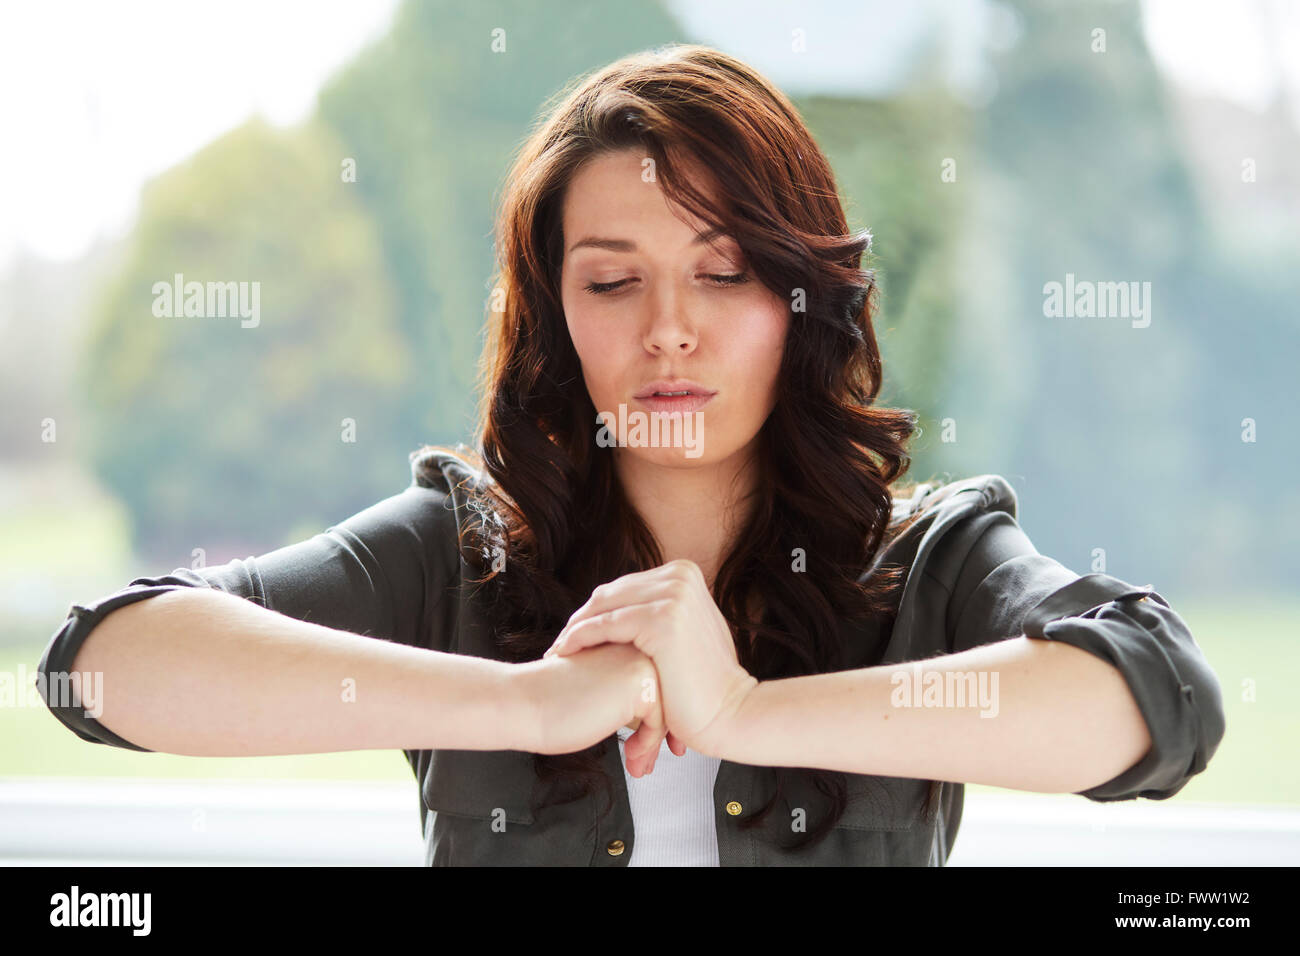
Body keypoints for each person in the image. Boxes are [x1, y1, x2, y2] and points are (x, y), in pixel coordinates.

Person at [37, 43, 1225, 866]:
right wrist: (530, 699)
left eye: (723, 272)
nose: (669, 327)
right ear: (558, 314)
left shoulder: (922, 563)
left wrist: (744, 709)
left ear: (799, 297)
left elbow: (1155, 702)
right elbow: (99, 664)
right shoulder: (462, 551)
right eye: (612, 280)